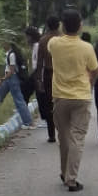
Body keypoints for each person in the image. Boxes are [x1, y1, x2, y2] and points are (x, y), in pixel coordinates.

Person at [47, 8, 98, 191]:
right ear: (80, 26)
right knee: (77, 138)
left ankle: (64, 172)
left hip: (60, 97)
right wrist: (90, 83)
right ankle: (71, 179)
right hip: (81, 97)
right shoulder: (87, 47)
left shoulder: (54, 43)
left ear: (62, 25)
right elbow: (94, 69)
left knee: (64, 137)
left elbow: (52, 46)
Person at [0, 39, 34, 127]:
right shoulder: (9, 53)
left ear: (8, 43)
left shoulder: (12, 54)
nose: (2, 45)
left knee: (19, 100)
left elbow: (11, 70)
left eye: (3, 43)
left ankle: (28, 122)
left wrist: (3, 78)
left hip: (12, 79)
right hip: (9, 79)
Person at [35, 15, 60, 143]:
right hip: (62, 73)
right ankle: (63, 131)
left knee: (50, 104)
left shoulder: (43, 40)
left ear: (47, 25)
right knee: (62, 101)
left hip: (49, 74)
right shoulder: (63, 39)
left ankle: (51, 134)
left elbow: (39, 62)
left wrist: (38, 79)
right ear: (59, 25)